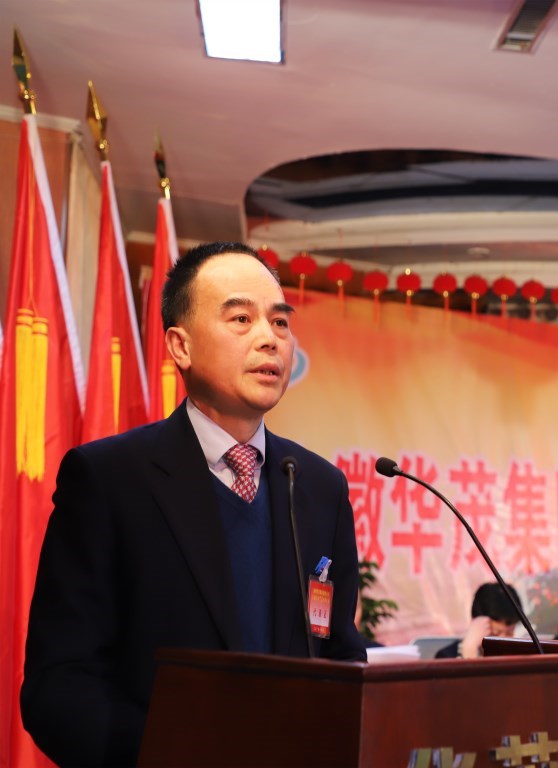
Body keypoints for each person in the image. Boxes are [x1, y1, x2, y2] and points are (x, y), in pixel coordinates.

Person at [20, 242, 367, 767]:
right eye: (241, 319)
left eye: (279, 322)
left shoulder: (320, 487)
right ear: (180, 346)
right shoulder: (109, 479)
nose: (269, 338)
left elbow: (340, 652)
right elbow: (60, 685)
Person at [436, 582, 523, 658]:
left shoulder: (518, 657)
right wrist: (469, 650)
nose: (503, 641)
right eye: (495, 633)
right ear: (476, 623)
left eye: (509, 633)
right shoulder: (446, 657)